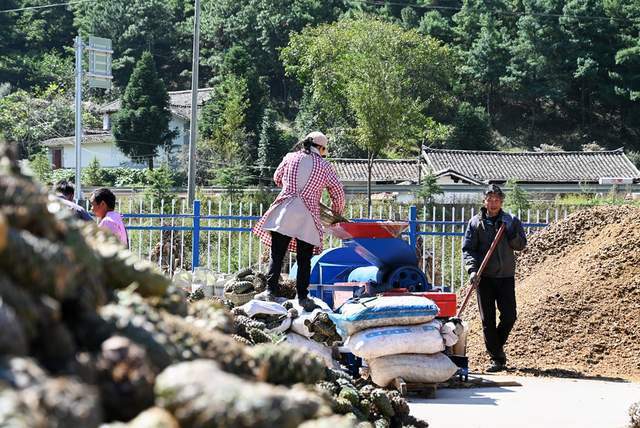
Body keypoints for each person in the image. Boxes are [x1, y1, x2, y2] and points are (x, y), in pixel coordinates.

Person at [253, 131, 345, 311]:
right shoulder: (325, 166)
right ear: (321, 148)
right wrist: (336, 214)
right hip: (308, 216)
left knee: (277, 254)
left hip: (285, 211)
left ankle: (270, 291)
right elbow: (338, 193)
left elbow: (277, 178)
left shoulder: (290, 157)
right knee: (304, 259)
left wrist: (290, 188)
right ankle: (302, 297)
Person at [462, 184, 527, 372]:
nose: (493, 203)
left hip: (505, 276)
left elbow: (521, 245)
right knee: (487, 320)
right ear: (484, 201)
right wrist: (472, 271)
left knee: (509, 316)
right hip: (484, 277)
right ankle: (497, 358)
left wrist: (510, 233)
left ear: (502, 201)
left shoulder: (511, 221)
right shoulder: (475, 223)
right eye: (489, 199)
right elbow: (468, 250)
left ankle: (496, 347)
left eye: (497, 200)